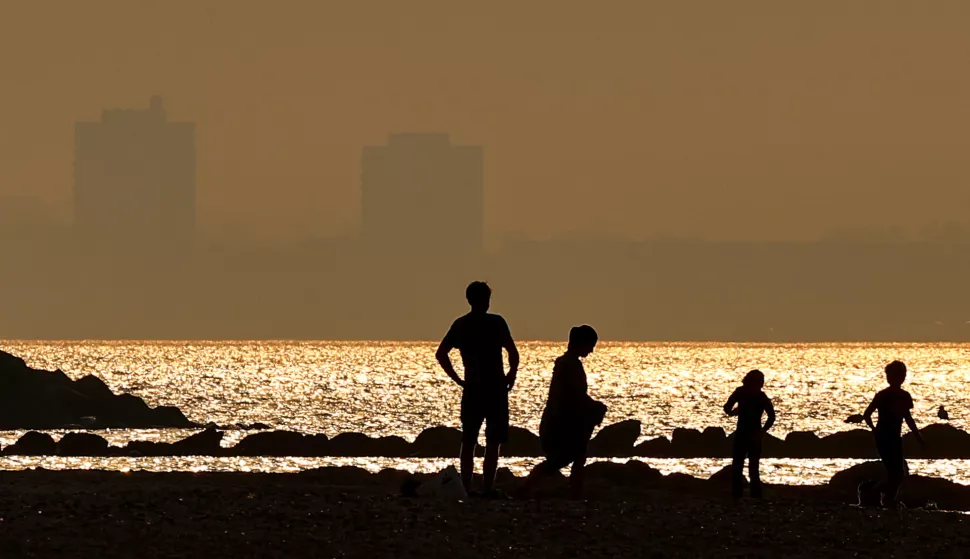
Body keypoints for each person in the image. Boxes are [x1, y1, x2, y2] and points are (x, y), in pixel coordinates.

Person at [435, 281, 519, 495]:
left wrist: (458, 379)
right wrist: (511, 374)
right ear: (486, 300)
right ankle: (487, 489)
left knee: (469, 439)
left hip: (473, 387)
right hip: (494, 388)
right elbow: (512, 352)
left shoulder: (461, 324)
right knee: (492, 441)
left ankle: (466, 487)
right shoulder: (496, 322)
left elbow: (442, 353)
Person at [517, 325, 606, 499]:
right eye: (590, 345)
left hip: (560, 421)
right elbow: (570, 396)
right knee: (559, 460)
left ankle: (574, 490)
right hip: (558, 424)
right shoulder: (569, 365)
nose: (592, 351)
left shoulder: (567, 364)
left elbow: (575, 396)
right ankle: (527, 488)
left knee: (577, 454)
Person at [863, 360, 926, 507]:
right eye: (897, 375)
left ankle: (886, 499)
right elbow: (867, 415)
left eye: (902, 375)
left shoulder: (903, 396)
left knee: (897, 474)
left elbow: (908, 419)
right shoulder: (885, 395)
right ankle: (873, 493)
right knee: (896, 474)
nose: (900, 378)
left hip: (894, 438)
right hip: (885, 438)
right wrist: (875, 430)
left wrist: (919, 438)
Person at [723, 369, 775, 499]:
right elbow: (772, 416)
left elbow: (727, 408)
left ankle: (737, 495)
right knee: (753, 467)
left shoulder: (740, 392)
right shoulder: (761, 396)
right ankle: (755, 496)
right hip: (754, 434)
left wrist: (736, 412)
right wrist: (763, 431)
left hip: (742, 432)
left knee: (738, 465)